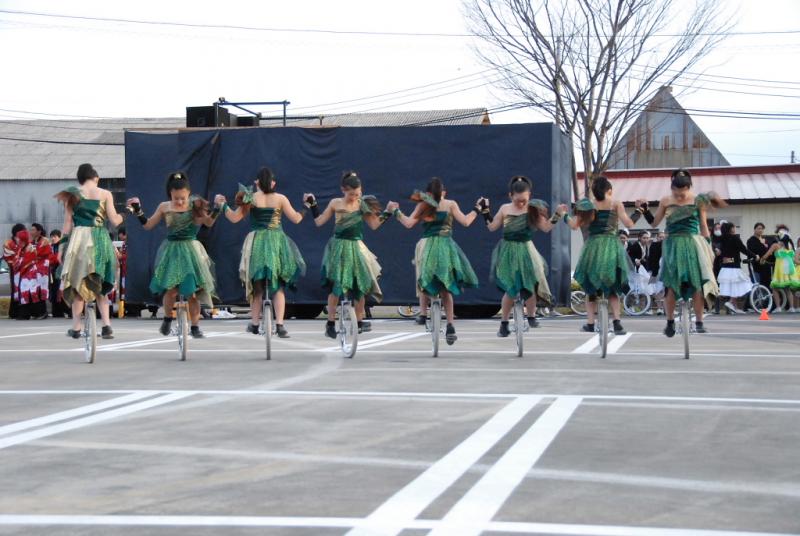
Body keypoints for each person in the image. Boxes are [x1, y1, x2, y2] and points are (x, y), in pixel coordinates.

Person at [127, 171, 221, 338]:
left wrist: (217, 209)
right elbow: (148, 225)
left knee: (192, 293)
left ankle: (195, 326)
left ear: (189, 194)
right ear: (170, 194)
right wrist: (138, 212)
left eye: (182, 198)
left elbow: (209, 222)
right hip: (172, 251)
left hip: (191, 250)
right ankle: (168, 318)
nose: (179, 201)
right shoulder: (164, 207)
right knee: (170, 290)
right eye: (175, 198)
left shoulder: (195, 205)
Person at [388, 177, 479, 345]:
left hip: (427, 245)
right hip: (446, 247)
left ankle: (423, 314)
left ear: (428, 193)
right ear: (443, 192)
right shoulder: (450, 204)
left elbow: (408, 224)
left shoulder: (423, 205)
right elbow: (466, 221)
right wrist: (477, 209)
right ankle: (450, 324)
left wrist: (395, 212)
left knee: (423, 278)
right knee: (445, 288)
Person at [221, 167, 306, 338]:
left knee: (257, 286)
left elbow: (234, 218)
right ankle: (280, 325)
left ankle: (254, 323)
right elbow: (297, 219)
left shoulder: (251, 198)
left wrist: (222, 206)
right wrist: (307, 206)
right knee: (279, 285)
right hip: (277, 242)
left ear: (257, 182)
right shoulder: (281, 198)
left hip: (257, 242)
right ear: (273, 183)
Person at [304, 171, 387, 338]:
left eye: (357, 194)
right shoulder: (336, 203)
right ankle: (330, 323)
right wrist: (313, 204)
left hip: (356, 247)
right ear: (343, 190)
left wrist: (389, 213)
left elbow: (375, 225)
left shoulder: (362, 204)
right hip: (339, 247)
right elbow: (319, 221)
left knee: (359, 286)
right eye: (351, 194)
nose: (354, 197)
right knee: (337, 286)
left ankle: (360, 321)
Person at [647, 169, 725, 336]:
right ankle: (669, 322)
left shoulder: (698, 200)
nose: (680, 195)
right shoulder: (665, 201)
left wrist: (708, 245)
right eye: (676, 191)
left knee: (696, 284)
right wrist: (645, 211)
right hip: (672, 245)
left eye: (683, 191)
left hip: (692, 243)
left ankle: (699, 321)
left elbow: (704, 226)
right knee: (670, 285)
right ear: (672, 187)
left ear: (689, 187)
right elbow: (654, 223)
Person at [559, 176, 637, 335]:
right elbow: (629, 223)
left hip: (593, 247)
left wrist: (563, 215)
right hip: (611, 246)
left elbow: (574, 226)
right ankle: (617, 323)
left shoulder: (588, 205)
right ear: (609, 191)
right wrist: (640, 211)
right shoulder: (616, 204)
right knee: (613, 288)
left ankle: (589, 323)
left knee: (591, 288)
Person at [483, 175, 557, 337]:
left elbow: (545, 228)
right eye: (518, 200)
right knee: (511, 288)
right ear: (511, 196)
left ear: (529, 195)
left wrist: (557, 215)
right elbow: (492, 227)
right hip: (508, 250)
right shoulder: (505, 209)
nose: (522, 203)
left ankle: (531, 316)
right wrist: (485, 211)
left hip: (526, 249)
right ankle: (503, 324)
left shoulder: (532, 209)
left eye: (525, 199)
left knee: (530, 285)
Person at [55, 164, 123, 339]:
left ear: (80, 178)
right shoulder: (105, 194)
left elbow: (68, 224)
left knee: (78, 283)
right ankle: (107, 326)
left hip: (80, 240)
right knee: (99, 283)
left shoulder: (72, 194)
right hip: (100, 238)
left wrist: (61, 247)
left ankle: (76, 327)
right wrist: (126, 214)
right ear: (95, 177)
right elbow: (115, 221)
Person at [717, 222, 757, 314]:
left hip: (725, 265)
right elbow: (743, 249)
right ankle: (731, 302)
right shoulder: (735, 238)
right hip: (734, 265)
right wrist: (755, 256)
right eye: (734, 227)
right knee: (742, 283)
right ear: (731, 229)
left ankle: (735, 307)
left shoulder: (722, 238)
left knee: (732, 285)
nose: (735, 229)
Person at [770, 233, 800, 312]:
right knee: (788, 289)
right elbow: (793, 259)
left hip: (780, 269)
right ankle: (792, 307)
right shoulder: (790, 247)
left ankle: (778, 307)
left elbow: (768, 254)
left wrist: (762, 259)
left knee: (774, 287)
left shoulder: (776, 246)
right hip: (789, 269)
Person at [48, 229, 68, 318]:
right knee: (54, 290)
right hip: (52, 270)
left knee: (60, 291)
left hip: (60, 270)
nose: (52, 238)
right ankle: (56, 311)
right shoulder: (51, 246)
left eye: (54, 237)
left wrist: (51, 259)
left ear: (59, 237)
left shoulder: (62, 246)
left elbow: (57, 258)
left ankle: (65, 310)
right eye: (51, 237)